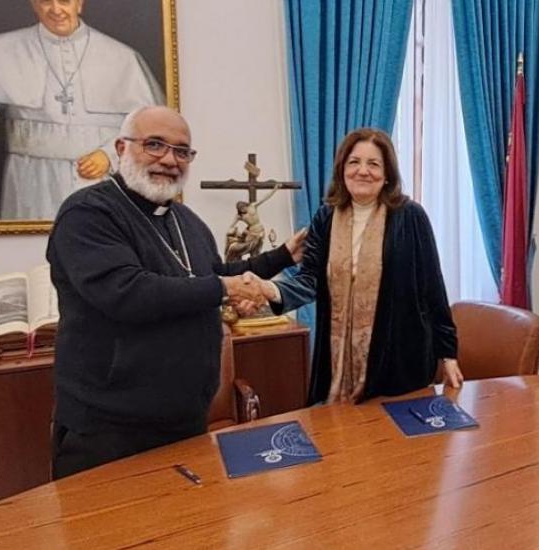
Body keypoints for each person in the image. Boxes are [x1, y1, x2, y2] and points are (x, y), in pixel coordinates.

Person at [46, 106, 305, 478]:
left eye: (182, 151)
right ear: (121, 147)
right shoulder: (88, 213)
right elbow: (127, 292)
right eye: (155, 145)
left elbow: (211, 275)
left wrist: (281, 257)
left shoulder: (187, 221)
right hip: (110, 430)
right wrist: (223, 287)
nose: (170, 159)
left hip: (185, 420)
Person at [241, 128, 462, 405]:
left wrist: (449, 354)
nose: (363, 171)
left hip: (401, 356)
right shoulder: (326, 217)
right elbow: (310, 280)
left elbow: (433, 289)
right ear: (342, 170)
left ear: (387, 175)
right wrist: (270, 289)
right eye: (354, 162)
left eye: (373, 164)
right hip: (338, 360)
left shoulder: (410, 216)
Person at [0, 0, 164, 220]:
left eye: (65, 1)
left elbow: (153, 129)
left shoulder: (121, 57)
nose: (56, 10)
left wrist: (110, 155)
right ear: (33, 4)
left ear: (80, 3)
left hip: (100, 179)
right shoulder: (4, 48)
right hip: (31, 182)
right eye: (45, 1)